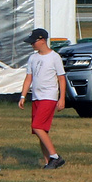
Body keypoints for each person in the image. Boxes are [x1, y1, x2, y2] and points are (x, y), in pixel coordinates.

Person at [18, 28, 66, 169]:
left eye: (34, 42)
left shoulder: (54, 57)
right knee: (41, 132)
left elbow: (61, 78)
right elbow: (29, 78)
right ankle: (48, 162)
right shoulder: (33, 58)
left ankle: (55, 157)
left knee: (37, 126)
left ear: (42, 40)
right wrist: (23, 95)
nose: (32, 44)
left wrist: (61, 98)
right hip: (36, 97)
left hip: (49, 96)